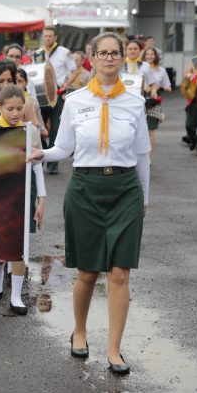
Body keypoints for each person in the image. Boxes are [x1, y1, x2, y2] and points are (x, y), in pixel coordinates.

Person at [27, 32, 151, 375]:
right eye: (103, 53)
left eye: (115, 53)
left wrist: (145, 198)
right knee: (87, 271)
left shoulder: (135, 102)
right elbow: (64, 148)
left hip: (125, 189)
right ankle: (79, 331)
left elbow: (143, 154)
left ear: (122, 58)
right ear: (92, 58)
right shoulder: (75, 100)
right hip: (85, 189)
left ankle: (114, 350)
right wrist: (40, 153)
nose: (109, 58)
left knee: (119, 272)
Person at [0, 84, 45, 315]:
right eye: (10, 109)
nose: (15, 113)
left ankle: (16, 295)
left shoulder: (30, 131)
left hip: (23, 194)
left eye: (19, 108)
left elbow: (37, 167)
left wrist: (42, 199)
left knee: (19, 246)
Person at [33, 26, 75, 174]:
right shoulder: (38, 53)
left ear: (55, 37)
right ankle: (40, 158)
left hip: (58, 93)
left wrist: (66, 85)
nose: (48, 38)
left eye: (50, 36)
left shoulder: (64, 52)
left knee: (56, 129)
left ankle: (53, 165)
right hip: (41, 94)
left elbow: (73, 71)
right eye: (45, 36)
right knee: (39, 129)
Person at [141, 47, 170, 159]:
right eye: (147, 54)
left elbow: (167, 85)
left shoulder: (161, 70)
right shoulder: (139, 68)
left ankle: (148, 158)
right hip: (140, 102)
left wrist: (166, 88)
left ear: (156, 56)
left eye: (152, 54)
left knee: (151, 131)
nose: (149, 56)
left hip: (153, 102)